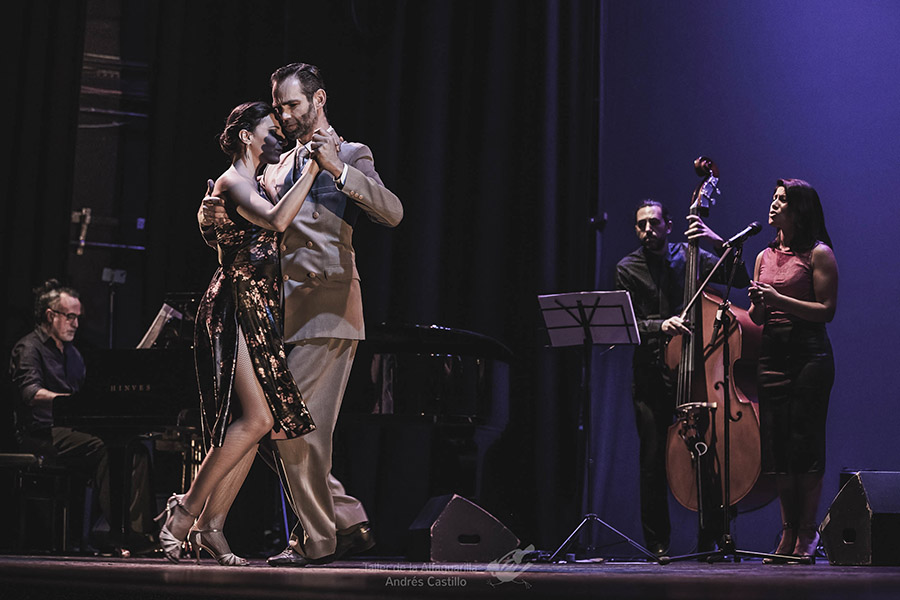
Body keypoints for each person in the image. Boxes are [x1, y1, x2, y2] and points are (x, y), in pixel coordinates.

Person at [199, 62, 403, 567]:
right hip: (275, 316)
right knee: (276, 427)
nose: (285, 115)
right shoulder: (273, 167)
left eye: (292, 104)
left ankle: (317, 539)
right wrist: (213, 220)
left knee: (292, 430)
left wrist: (338, 170)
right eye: (279, 107)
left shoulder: (351, 153)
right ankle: (347, 520)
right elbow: (256, 234)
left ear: (319, 99)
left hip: (329, 308)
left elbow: (392, 211)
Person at [157, 101, 321, 565]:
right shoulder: (232, 182)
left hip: (258, 305)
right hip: (236, 304)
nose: (279, 136)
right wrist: (314, 169)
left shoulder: (255, 183)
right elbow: (276, 221)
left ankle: (211, 525)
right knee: (257, 420)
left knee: (258, 423)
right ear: (247, 136)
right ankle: (184, 512)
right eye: (271, 129)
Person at [615, 199, 750, 557]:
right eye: (642, 225)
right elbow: (627, 323)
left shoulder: (692, 257)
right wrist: (660, 325)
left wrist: (716, 240)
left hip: (696, 372)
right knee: (652, 460)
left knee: (709, 454)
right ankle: (657, 544)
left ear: (669, 225)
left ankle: (711, 538)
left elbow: (739, 278)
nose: (648, 230)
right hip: (650, 373)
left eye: (654, 223)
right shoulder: (627, 268)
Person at [9, 279, 153, 553]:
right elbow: (31, 393)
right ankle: (115, 532)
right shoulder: (29, 348)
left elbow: (87, 394)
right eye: (70, 316)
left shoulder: (73, 354)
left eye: (77, 318)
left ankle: (137, 532)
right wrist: (71, 401)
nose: (75, 324)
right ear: (50, 315)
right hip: (39, 433)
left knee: (134, 449)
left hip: (69, 430)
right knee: (103, 447)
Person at [748, 179, 837, 563]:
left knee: (805, 447)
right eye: (773, 197)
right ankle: (787, 533)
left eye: (782, 200)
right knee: (779, 451)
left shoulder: (819, 254)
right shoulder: (763, 256)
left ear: (799, 210)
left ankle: (807, 533)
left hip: (809, 357)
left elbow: (827, 311)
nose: (773, 204)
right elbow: (757, 317)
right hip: (772, 357)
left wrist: (778, 299)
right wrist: (758, 304)